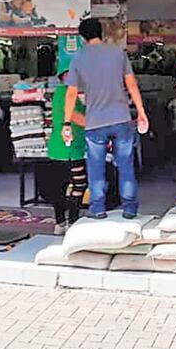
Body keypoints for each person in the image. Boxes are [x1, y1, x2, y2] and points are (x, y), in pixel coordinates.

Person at [62, 18, 148, 219]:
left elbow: (71, 94)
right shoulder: (118, 53)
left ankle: (98, 209)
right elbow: (132, 85)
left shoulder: (78, 59)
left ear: (82, 37)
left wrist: (66, 122)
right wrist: (141, 111)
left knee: (96, 167)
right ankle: (129, 209)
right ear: (101, 33)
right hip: (121, 119)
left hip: (95, 122)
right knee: (126, 165)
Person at [44, 54, 87, 234]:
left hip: (60, 147)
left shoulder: (64, 93)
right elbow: (76, 117)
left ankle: (61, 222)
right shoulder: (66, 93)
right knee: (78, 184)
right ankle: (71, 221)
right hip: (69, 148)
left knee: (61, 186)